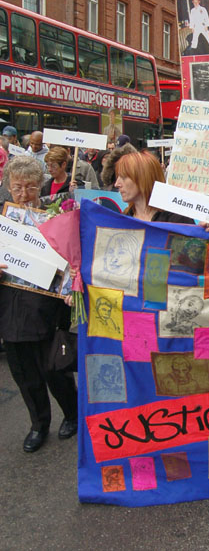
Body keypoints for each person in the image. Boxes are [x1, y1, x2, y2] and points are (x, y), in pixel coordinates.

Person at [0, 156, 78, 452]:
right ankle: (39, 424)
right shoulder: (2, 218)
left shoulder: (53, 215)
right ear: (8, 187)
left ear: (40, 186)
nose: (24, 194)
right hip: (10, 306)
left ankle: (71, 414)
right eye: (18, 187)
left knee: (54, 368)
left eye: (31, 187)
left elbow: (70, 256)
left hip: (46, 305)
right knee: (24, 373)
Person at [114, 149, 194, 223]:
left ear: (143, 178)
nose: (117, 184)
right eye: (118, 177)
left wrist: (205, 230)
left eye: (124, 177)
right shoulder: (124, 219)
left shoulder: (177, 219)